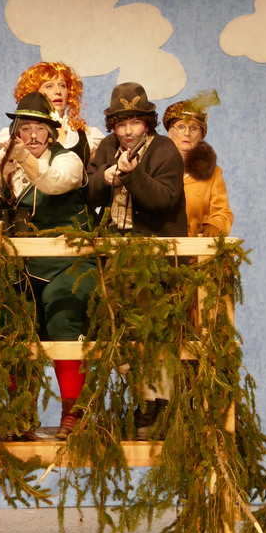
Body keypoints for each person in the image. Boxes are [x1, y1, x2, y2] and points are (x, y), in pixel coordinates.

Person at [0, 92, 96, 440]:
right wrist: (1, 168)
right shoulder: (6, 160)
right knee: (11, 322)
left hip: (69, 264)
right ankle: (20, 413)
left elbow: (54, 183)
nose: (32, 135)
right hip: (22, 266)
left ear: (51, 133)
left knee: (63, 317)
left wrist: (23, 158)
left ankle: (74, 412)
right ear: (15, 132)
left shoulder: (68, 160)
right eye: (24, 128)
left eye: (39, 128)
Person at [87, 82, 188, 440]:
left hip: (154, 256)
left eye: (135, 122)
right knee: (111, 323)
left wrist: (132, 175)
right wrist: (105, 177)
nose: (128, 131)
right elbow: (88, 190)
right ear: (113, 125)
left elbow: (164, 199)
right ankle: (147, 398)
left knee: (153, 330)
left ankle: (160, 405)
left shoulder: (164, 150)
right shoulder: (106, 147)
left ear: (147, 123)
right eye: (121, 123)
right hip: (116, 253)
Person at [0, 61, 104, 169]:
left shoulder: (87, 136)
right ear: (34, 92)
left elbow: (93, 176)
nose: (58, 91)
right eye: (49, 86)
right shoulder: (15, 134)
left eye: (62, 85)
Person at [162, 91, 234, 237]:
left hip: (197, 246)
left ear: (201, 136)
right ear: (169, 132)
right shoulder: (154, 167)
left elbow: (222, 211)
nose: (187, 133)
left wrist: (214, 225)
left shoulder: (213, 173)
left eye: (194, 128)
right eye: (180, 127)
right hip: (159, 247)